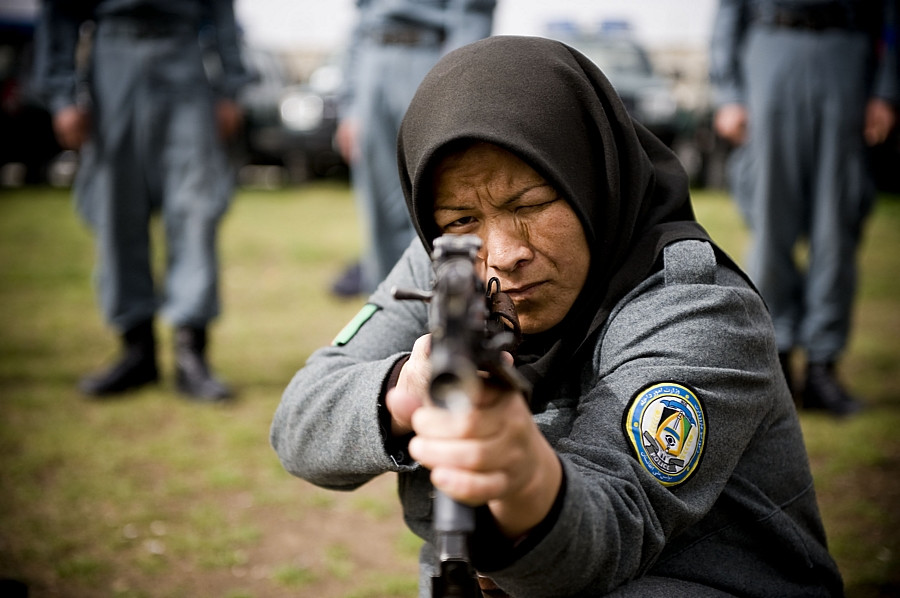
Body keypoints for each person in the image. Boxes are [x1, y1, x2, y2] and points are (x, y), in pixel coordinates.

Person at [271, 36, 843, 597]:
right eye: (461, 219)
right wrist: (406, 389)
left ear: (592, 178)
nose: (503, 252)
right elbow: (298, 423)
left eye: (530, 204)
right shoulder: (447, 264)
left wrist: (525, 481)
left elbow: (610, 527)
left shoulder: (699, 308)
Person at [33, 0, 251, 401]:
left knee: (196, 210)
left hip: (184, 58)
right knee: (116, 209)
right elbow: (58, 13)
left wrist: (231, 85)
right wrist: (62, 94)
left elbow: (221, 9)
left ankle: (191, 352)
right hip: (111, 59)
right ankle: (137, 349)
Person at [709, 0, 899, 416]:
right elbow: (729, 11)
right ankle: (774, 363)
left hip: (847, 55)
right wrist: (727, 92)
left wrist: (886, 90)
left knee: (837, 227)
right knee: (770, 226)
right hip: (770, 49)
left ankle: (821, 366)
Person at [331, 0, 497, 297]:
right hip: (372, 61)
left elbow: (471, 14)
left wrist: (455, 86)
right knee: (376, 209)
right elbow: (360, 17)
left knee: (428, 198)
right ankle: (386, 310)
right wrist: (351, 104)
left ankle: (436, 310)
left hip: (426, 56)